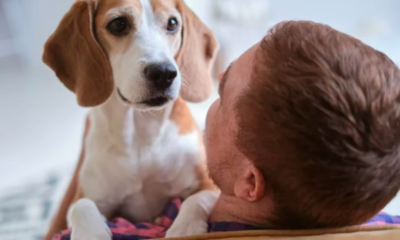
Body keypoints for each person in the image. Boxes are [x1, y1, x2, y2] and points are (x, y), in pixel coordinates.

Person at [53, 21, 400, 240]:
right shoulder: (384, 220)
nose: (216, 78)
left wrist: (86, 158)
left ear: (250, 183)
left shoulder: (140, 232)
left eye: (225, 91)